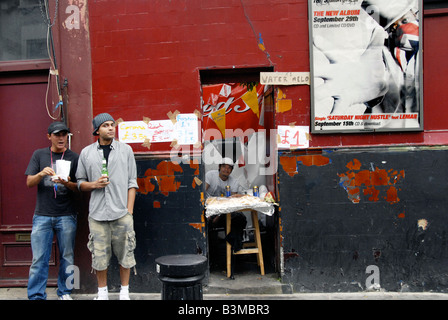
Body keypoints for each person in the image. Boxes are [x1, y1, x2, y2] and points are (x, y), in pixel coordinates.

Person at [76, 113, 138, 300]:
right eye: (105, 125)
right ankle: (102, 293)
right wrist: (94, 184)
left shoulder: (125, 150)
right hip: (97, 215)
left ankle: (124, 292)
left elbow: (132, 182)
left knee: (126, 254)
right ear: (97, 130)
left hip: (121, 213)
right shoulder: (86, 153)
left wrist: (129, 211)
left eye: (112, 125)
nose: (111, 128)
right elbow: (79, 182)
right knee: (99, 257)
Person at [25, 122, 79, 300]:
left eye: (64, 134)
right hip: (42, 215)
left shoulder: (74, 156)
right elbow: (29, 183)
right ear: (49, 136)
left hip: (67, 214)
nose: (61, 138)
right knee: (38, 259)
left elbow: (78, 187)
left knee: (69, 256)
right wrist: (41, 174)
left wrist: (66, 183)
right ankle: (36, 295)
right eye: (57, 134)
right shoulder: (39, 154)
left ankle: (66, 292)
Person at [205, 157, 246, 265]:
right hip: (209, 210)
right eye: (224, 167)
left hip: (223, 213)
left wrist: (219, 216)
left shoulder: (234, 182)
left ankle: (233, 248)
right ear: (219, 167)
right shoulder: (210, 175)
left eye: (229, 168)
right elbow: (201, 193)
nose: (226, 170)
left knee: (240, 218)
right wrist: (207, 213)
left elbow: (231, 204)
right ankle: (210, 259)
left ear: (231, 170)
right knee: (207, 226)